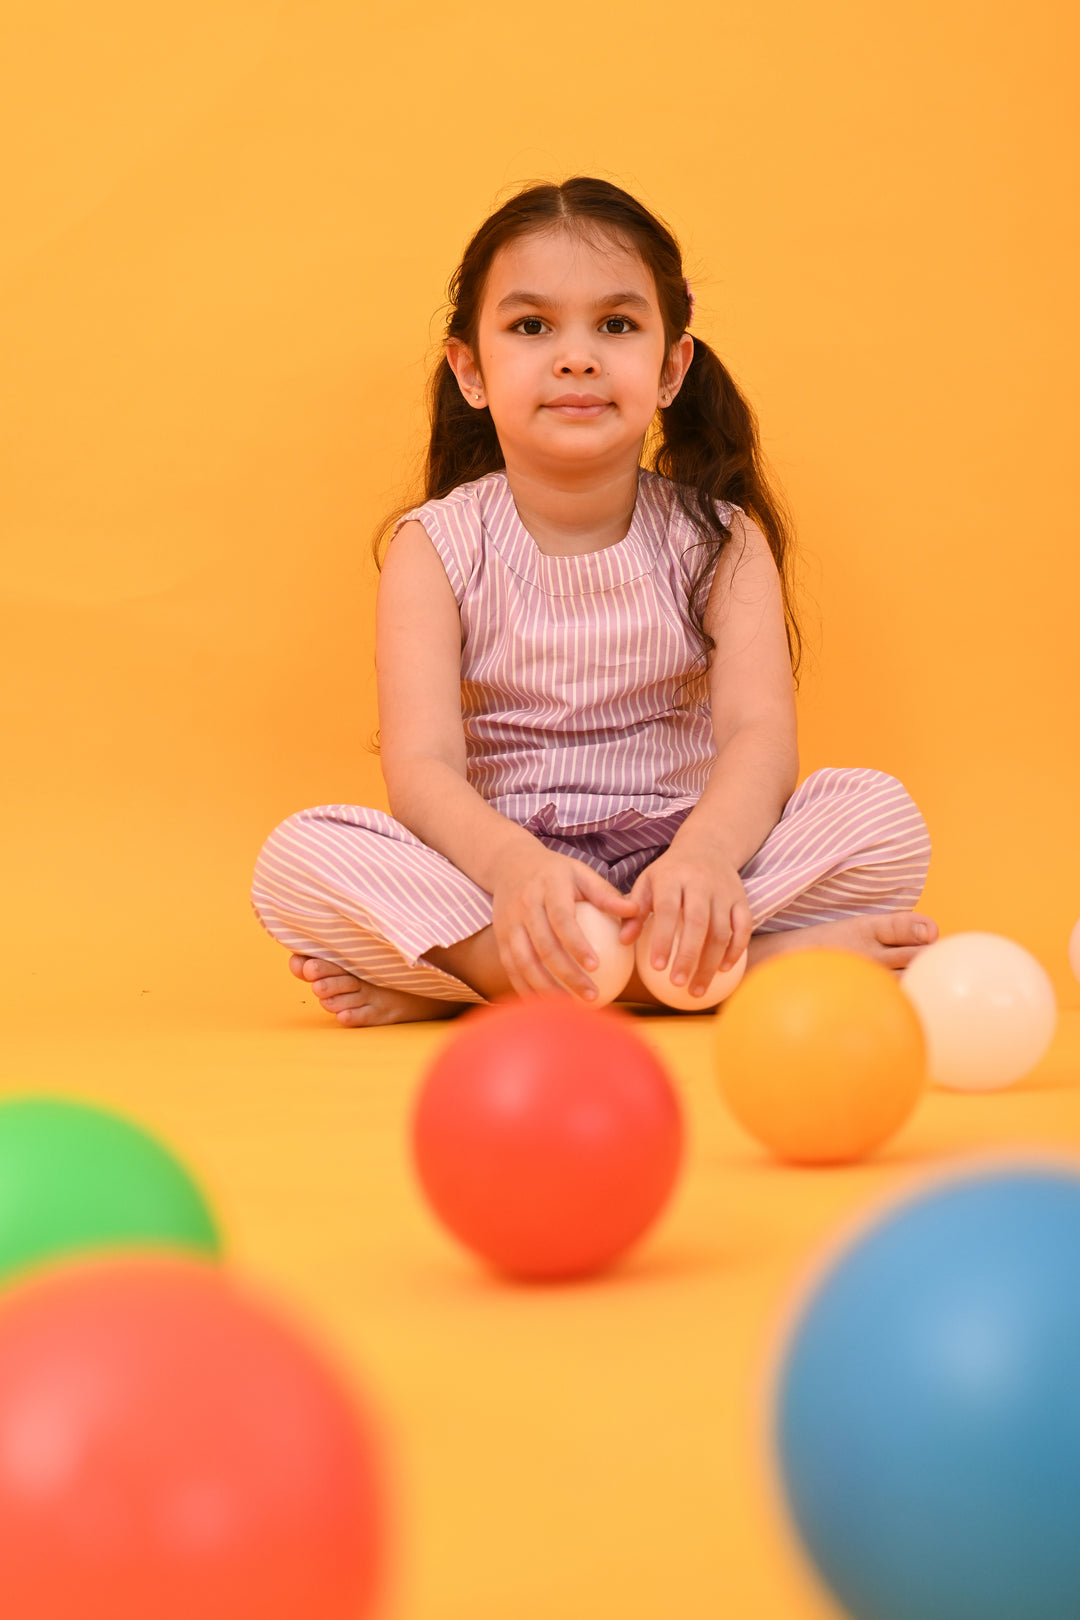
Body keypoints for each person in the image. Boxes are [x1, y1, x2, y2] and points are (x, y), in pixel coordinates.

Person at [251, 176, 938, 1028]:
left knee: (879, 815)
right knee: (301, 855)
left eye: (616, 325)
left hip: (680, 870)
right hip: (506, 877)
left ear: (670, 368)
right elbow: (423, 768)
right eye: (531, 326)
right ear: (470, 370)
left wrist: (707, 861)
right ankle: (748, 967)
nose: (576, 356)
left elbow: (758, 736)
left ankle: (490, 982)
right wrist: (513, 870)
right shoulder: (436, 546)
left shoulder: (720, 541)